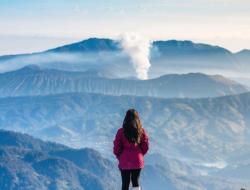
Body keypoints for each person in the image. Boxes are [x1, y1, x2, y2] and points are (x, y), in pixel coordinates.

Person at [113, 109, 149, 190]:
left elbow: (116, 147)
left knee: (125, 183)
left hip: (124, 160)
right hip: (137, 160)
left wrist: (120, 156)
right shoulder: (141, 131)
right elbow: (145, 146)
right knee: (135, 181)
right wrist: (139, 154)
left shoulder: (121, 131)